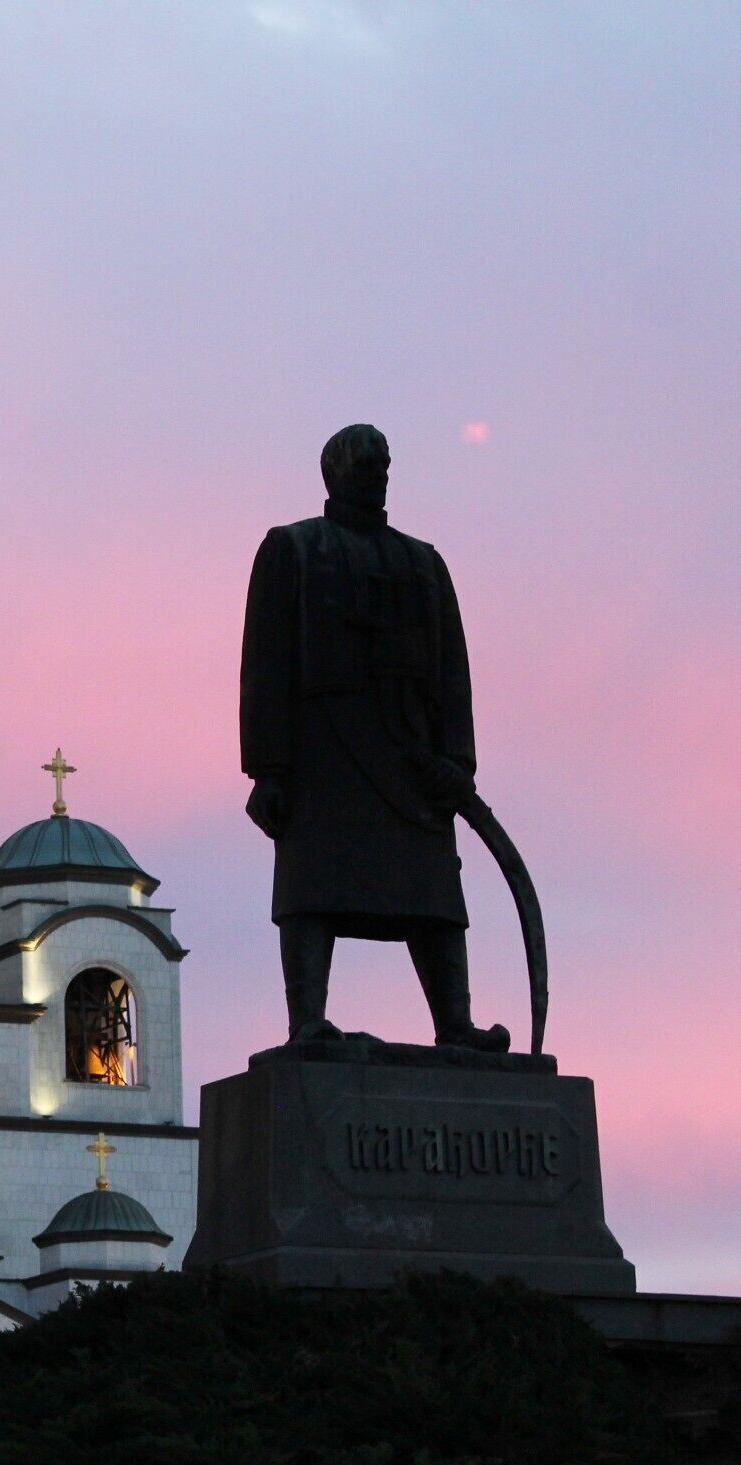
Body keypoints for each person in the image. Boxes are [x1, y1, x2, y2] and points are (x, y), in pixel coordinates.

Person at [239, 423, 509, 1051]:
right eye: (363, 465)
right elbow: (266, 665)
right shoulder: (293, 548)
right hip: (324, 751)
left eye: (383, 465)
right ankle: (307, 1019)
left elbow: (453, 671)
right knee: (312, 886)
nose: (376, 476)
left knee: (434, 891)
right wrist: (268, 769)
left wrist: (457, 761)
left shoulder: (423, 562)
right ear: (332, 473)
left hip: (412, 754)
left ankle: (455, 1023)